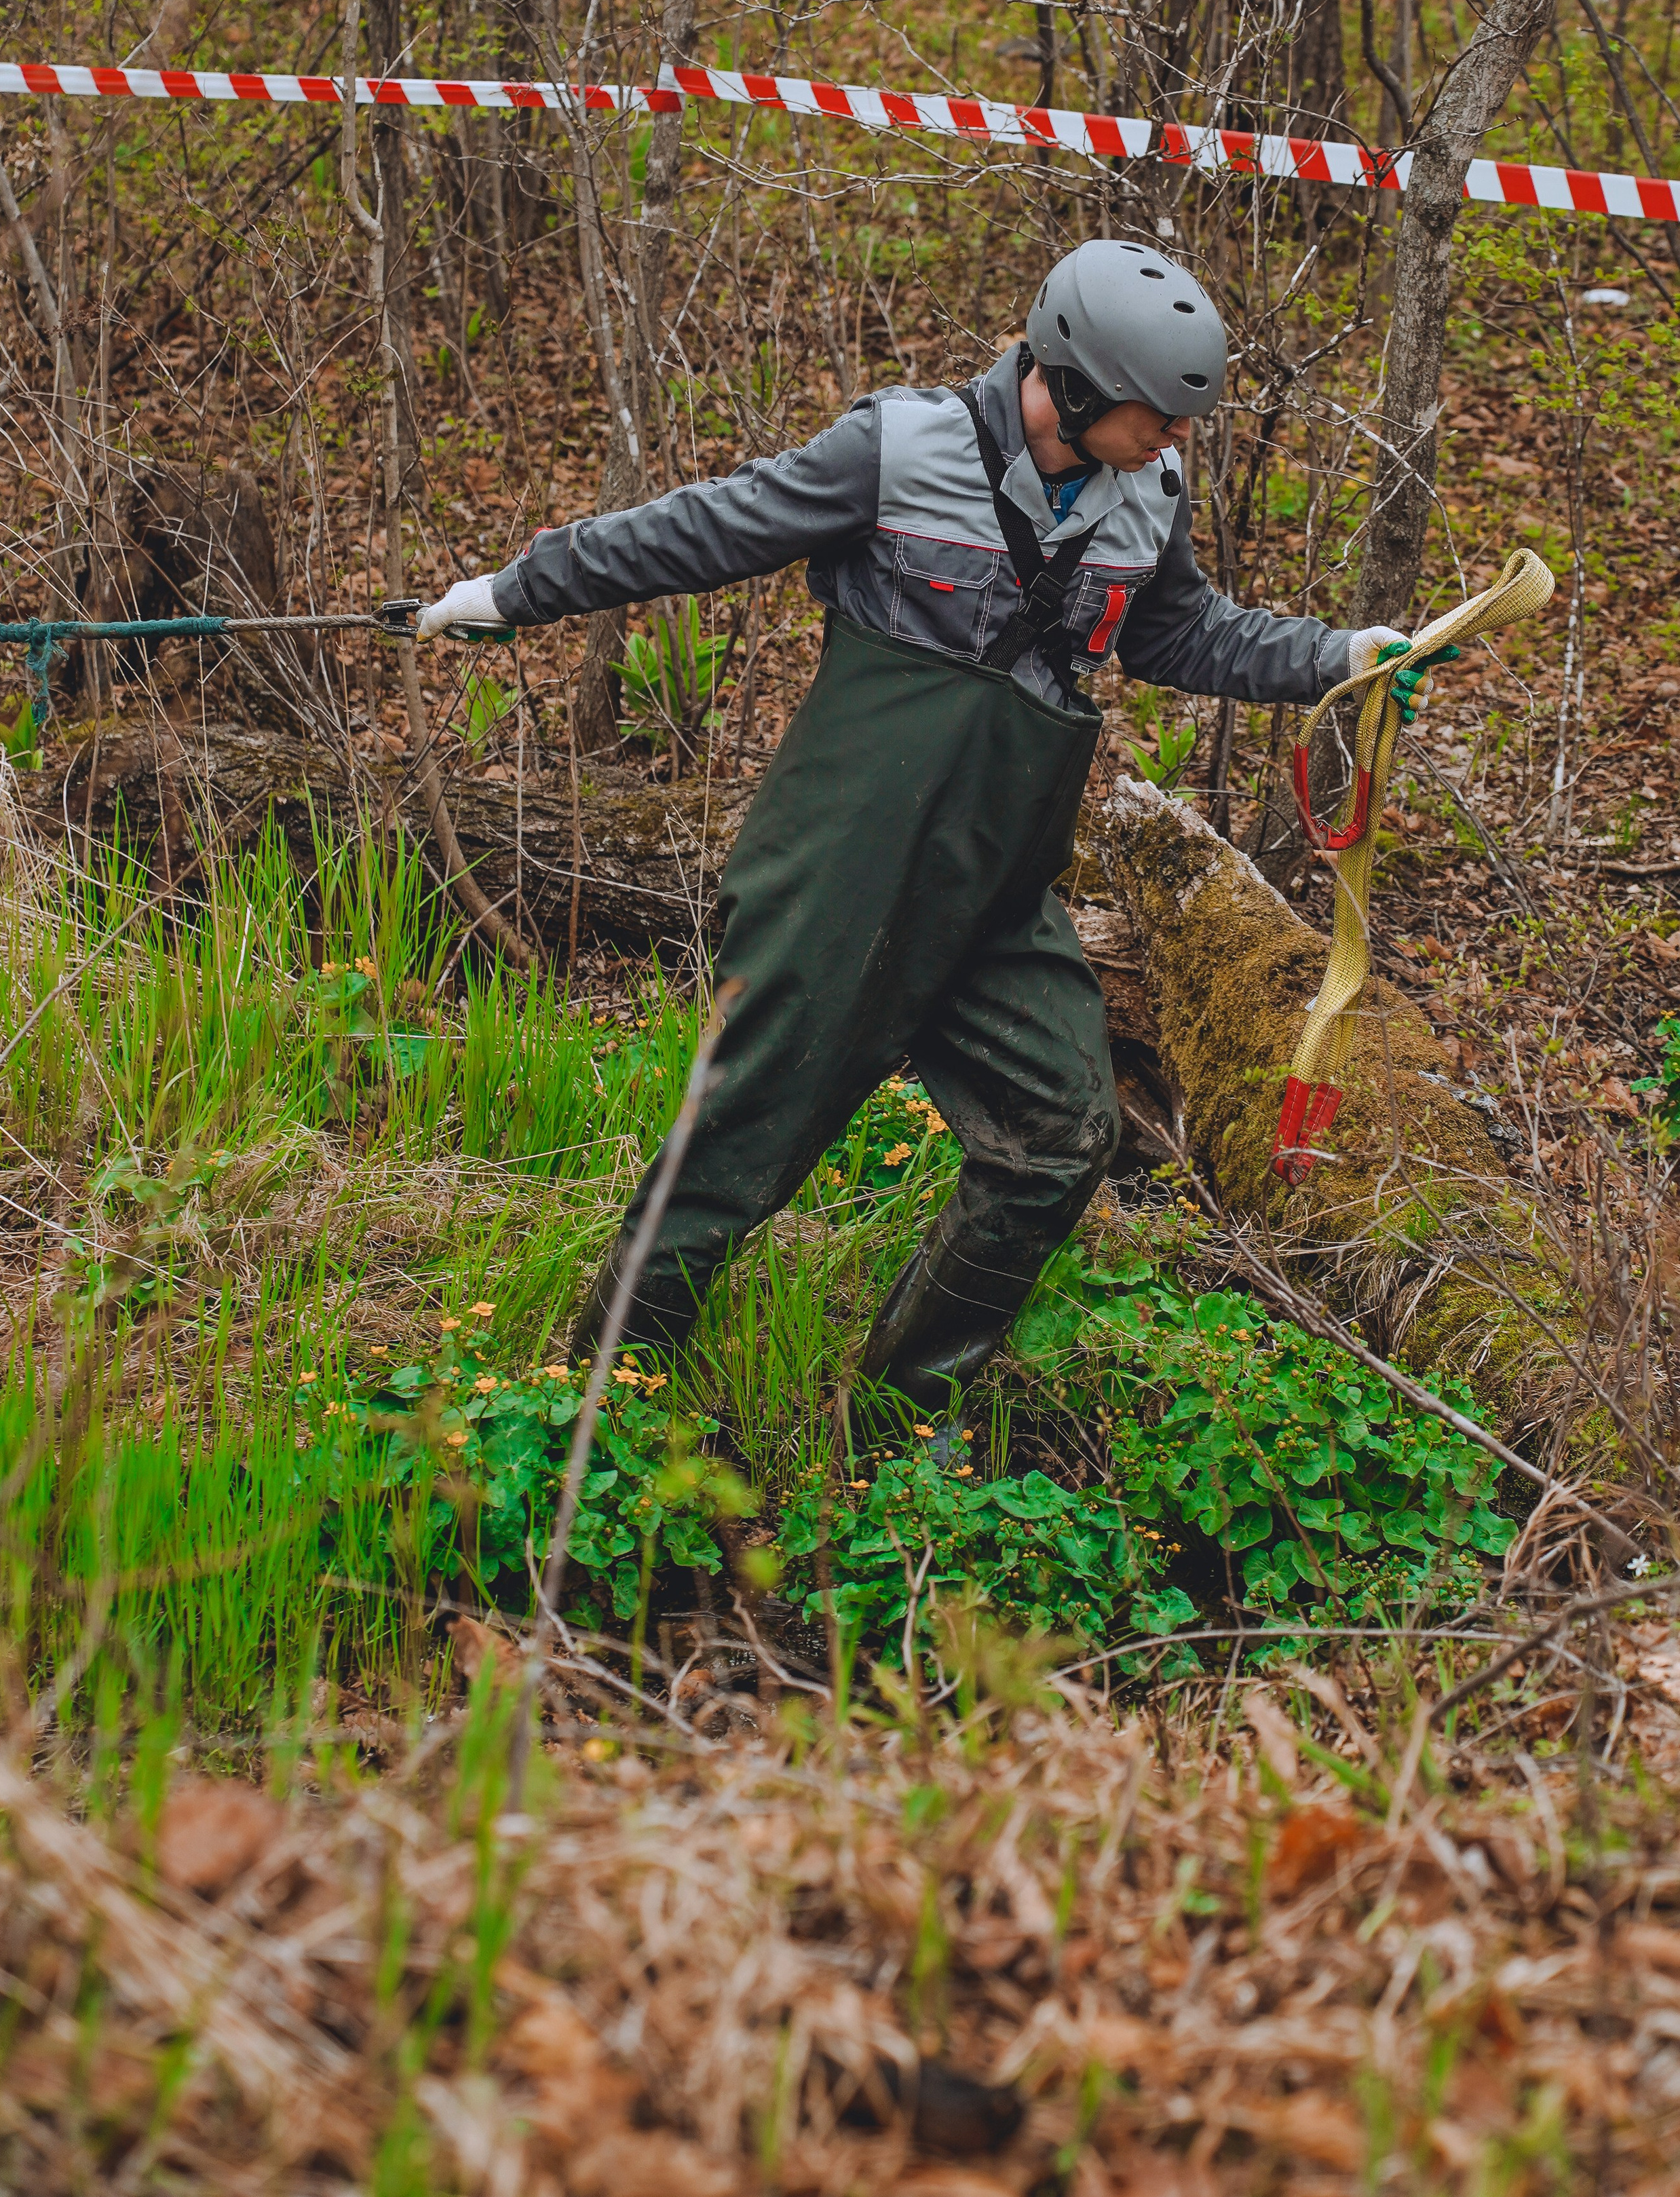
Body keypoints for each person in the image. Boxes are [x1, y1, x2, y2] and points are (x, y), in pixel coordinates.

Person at [419, 239, 1430, 1448]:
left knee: (1063, 1135)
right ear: (1082, 388)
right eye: (1160, 418)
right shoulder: (898, 448)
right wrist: (515, 591)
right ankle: (588, 1423)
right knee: (743, 1137)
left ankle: (894, 1427)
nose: (1176, 443)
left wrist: (1342, 656)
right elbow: (704, 530)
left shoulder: (1146, 497)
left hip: (999, 877)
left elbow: (1182, 636)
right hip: (845, 858)